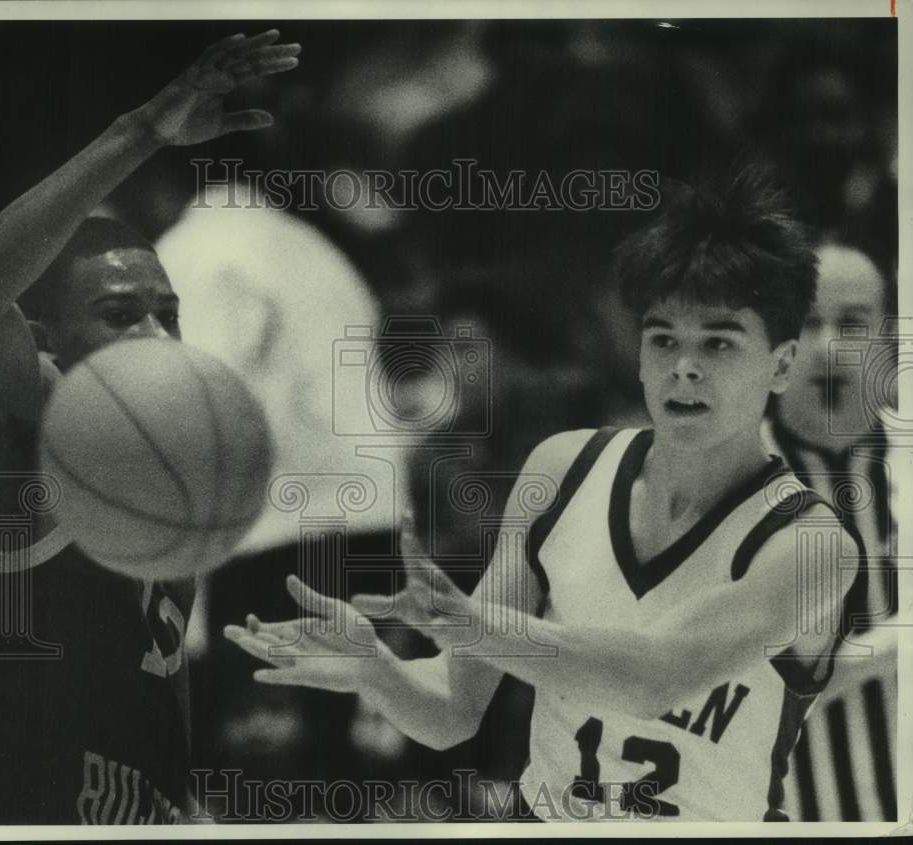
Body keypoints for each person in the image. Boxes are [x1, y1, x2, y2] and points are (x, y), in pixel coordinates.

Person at [226, 166, 869, 822]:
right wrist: (378, 670)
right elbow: (453, 706)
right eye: (664, 339)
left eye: (719, 342)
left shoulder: (810, 545)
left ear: (782, 364)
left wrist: (483, 626)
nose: (685, 366)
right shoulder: (563, 471)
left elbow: (656, 675)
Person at [0, 30, 300, 824]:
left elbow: (156, 676)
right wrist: (144, 131)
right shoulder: (28, 443)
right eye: (120, 315)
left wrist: (183, 798)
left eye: (169, 315)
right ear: (47, 344)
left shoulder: (167, 465)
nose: (157, 338)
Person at [764, 240, 898, 821]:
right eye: (808, 323)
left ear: (888, 340)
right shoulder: (728, 486)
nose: (827, 348)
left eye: (851, 324)